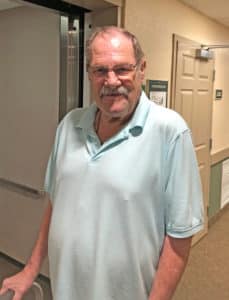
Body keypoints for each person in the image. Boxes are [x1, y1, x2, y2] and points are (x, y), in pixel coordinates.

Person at [0, 26, 203, 300]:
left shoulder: (170, 131)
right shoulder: (70, 125)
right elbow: (56, 203)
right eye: (100, 70)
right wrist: (31, 268)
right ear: (89, 74)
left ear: (141, 69)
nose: (111, 80)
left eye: (122, 69)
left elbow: (179, 236)